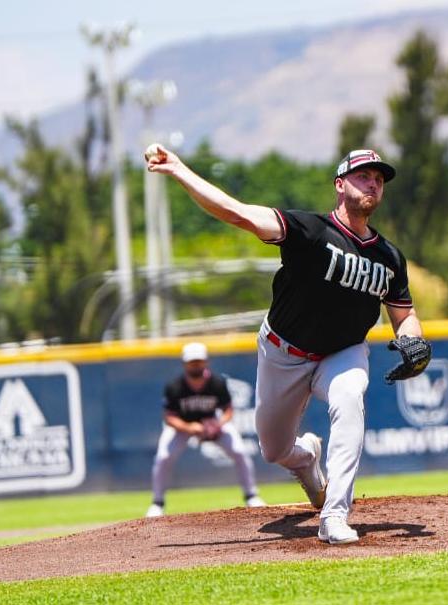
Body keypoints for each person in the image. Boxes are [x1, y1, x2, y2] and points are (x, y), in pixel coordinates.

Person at [147, 146, 431, 544]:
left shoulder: (389, 257)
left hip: (343, 352)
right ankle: (307, 460)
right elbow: (238, 213)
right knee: (274, 450)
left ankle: (334, 514)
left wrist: (413, 341)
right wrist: (179, 170)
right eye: (363, 175)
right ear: (339, 184)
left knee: (350, 398)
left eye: (379, 179)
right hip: (284, 352)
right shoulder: (309, 231)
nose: (373, 182)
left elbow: (405, 315)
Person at [146, 342, 266, 517]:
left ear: (206, 362)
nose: (195, 365)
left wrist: (218, 425)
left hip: (212, 425)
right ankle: (157, 503)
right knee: (163, 457)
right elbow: (169, 417)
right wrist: (188, 427)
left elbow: (228, 410)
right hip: (182, 426)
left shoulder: (217, 383)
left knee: (239, 451)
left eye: (199, 361)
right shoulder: (175, 387)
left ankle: (251, 495)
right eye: (192, 361)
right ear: (184, 363)